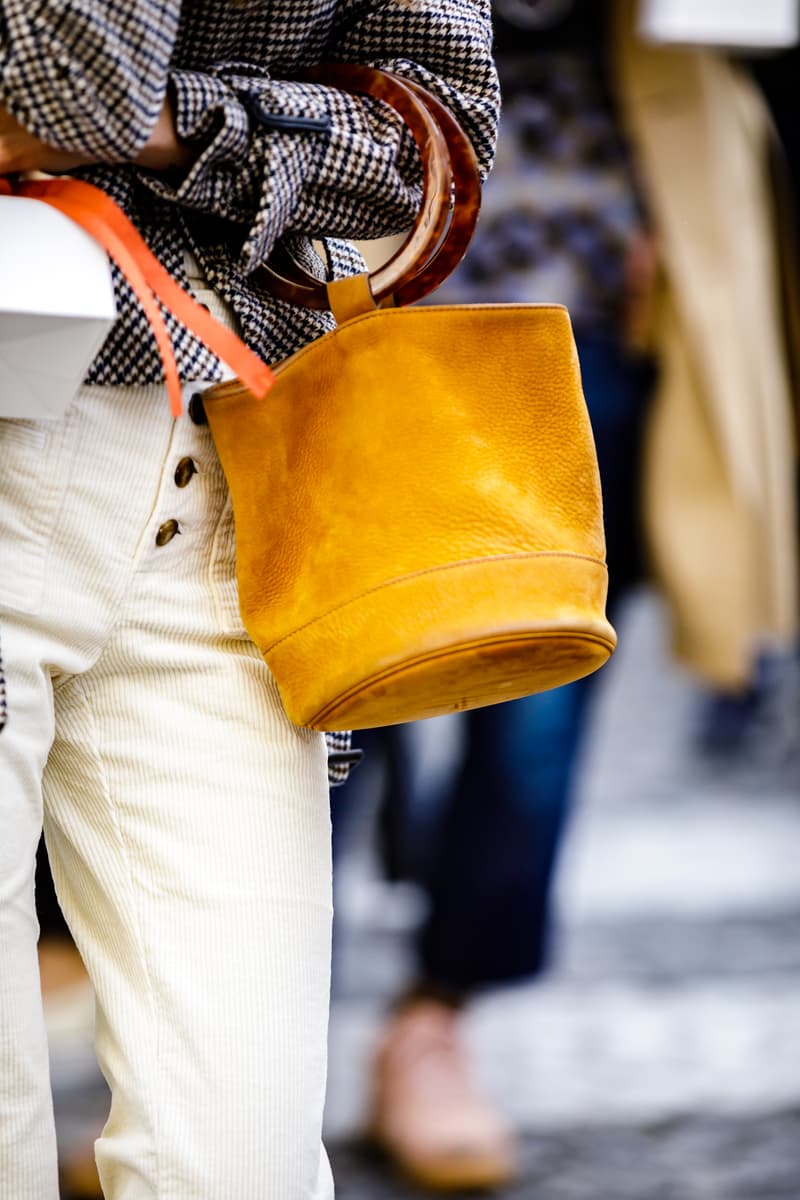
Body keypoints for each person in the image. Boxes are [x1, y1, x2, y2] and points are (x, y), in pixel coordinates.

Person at [0, 4, 500, 1197]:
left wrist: (184, 124)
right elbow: (83, 75)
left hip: (216, 490)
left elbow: (426, 145)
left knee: (239, 1156)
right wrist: (204, 129)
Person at [334, 0, 798, 1191]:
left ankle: (437, 1021)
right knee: (325, 672)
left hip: (596, 277)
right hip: (362, 270)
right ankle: (225, 1042)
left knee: (534, 690)